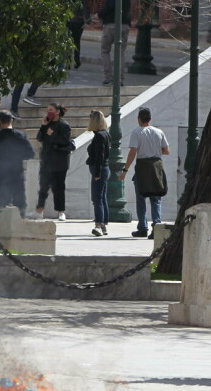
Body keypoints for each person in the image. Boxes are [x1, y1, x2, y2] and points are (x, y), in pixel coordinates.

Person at [119, 107, 169, 238]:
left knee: (141, 198)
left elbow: (133, 152)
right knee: (156, 198)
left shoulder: (137, 132)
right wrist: (155, 151)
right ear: (150, 119)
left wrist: (125, 170)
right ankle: (157, 227)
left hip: (142, 167)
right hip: (156, 166)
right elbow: (166, 150)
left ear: (139, 119)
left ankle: (142, 227)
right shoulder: (159, 132)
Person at [0, 109, 34, 217]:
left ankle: (3, 225)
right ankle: (21, 222)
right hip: (17, 172)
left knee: (2, 203)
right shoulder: (20, 135)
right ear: (11, 120)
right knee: (19, 202)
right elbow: (30, 154)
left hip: (1, 172)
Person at [28, 103, 73, 221]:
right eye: (47, 110)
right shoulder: (47, 124)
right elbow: (39, 138)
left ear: (58, 111)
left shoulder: (64, 125)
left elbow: (65, 141)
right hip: (46, 160)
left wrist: (52, 134)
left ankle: (61, 211)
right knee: (43, 186)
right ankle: (39, 210)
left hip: (59, 162)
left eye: (51, 110)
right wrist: (43, 126)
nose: (49, 112)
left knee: (59, 187)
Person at [86, 110, 111, 236]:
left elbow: (100, 156)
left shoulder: (99, 136)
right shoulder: (104, 134)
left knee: (97, 198)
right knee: (102, 197)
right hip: (104, 168)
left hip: (99, 168)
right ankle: (104, 224)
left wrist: (97, 173)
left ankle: (99, 224)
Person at [100, 0, 131, 86]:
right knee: (121, 52)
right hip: (125, 24)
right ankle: (119, 78)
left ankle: (108, 77)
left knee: (105, 50)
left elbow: (109, 6)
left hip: (111, 24)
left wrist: (100, 14)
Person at [69, 0, 92, 69]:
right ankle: (76, 61)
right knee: (76, 42)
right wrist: (87, 21)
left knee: (69, 41)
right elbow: (85, 9)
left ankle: (68, 61)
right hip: (79, 21)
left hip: (70, 20)